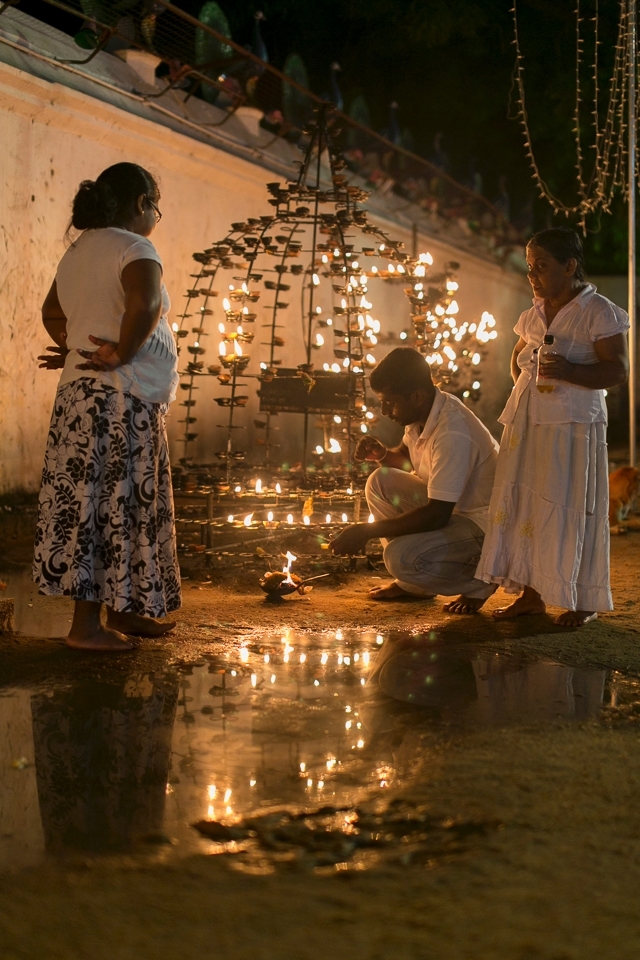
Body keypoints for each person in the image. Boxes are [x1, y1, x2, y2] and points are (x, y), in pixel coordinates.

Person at [33, 162, 181, 652]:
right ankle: (86, 628)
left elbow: (52, 311)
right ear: (141, 203)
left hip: (81, 397)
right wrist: (121, 350)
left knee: (98, 502)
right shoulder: (135, 246)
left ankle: (124, 610)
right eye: (156, 207)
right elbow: (146, 304)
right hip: (120, 400)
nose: (156, 216)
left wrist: (73, 343)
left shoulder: (77, 250)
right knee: (111, 506)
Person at [475, 227, 629, 626]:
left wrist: (571, 371)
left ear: (570, 265)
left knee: (571, 505)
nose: (532, 276)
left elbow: (617, 370)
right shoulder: (533, 313)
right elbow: (518, 357)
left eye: (541, 266)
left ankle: (583, 598)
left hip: (572, 427)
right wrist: (526, 389)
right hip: (529, 424)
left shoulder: (599, 311)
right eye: (529, 267)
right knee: (528, 504)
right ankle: (531, 595)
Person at [330, 347, 499, 614]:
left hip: (481, 528)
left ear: (417, 396)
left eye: (390, 402)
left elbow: (436, 515)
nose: (385, 411)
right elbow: (407, 458)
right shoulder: (424, 412)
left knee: (401, 558)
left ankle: (481, 580)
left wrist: (365, 531)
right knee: (380, 481)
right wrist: (382, 454)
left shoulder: (452, 432)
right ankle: (414, 586)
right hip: (453, 511)